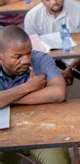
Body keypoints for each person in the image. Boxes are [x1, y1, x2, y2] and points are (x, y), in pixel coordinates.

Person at [0, 26, 70, 164]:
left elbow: (58, 93)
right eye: (18, 56)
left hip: (43, 129)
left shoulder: (41, 59)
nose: (26, 60)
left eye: (29, 53)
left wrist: (6, 99)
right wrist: (28, 87)